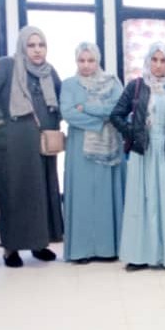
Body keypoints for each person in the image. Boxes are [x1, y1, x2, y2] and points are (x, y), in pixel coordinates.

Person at [0, 26, 63, 268]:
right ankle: (10, 248)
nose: (37, 50)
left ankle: (39, 243)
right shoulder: (5, 66)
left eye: (41, 45)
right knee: (15, 193)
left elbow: (60, 98)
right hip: (11, 146)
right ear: (22, 47)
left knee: (40, 194)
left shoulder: (48, 72)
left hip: (41, 146)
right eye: (31, 45)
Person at [111, 42, 165, 271]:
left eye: (163, 60)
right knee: (142, 201)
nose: (158, 65)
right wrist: (134, 134)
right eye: (154, 60)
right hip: (143, 151)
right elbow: (116, 115)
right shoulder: (136, 86)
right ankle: (139, 255)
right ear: (148, 61)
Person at [60, 43, 126, 264]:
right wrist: (99, 121)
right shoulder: (69, 85)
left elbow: (117, 109)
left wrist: (86, 108)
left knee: (107, 196)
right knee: (82, 197)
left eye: (91, 60)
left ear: (98, 61)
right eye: (82, 60)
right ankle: (81, 250)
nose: (86, 65)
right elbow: (68, 113)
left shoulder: (112, 82)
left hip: (110, 147)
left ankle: (109, 249)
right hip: (80, 149)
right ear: (76, 61)